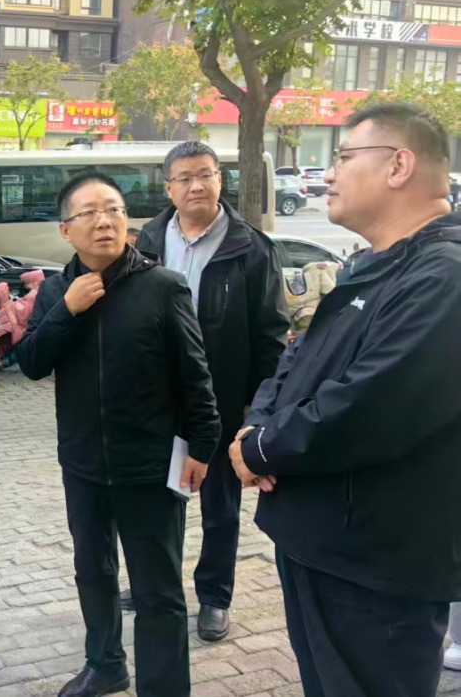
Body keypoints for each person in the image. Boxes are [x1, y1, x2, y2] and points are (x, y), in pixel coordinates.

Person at [231, 102, 461, 697]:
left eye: (343, 157)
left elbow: (372, 405)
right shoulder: (374, 265)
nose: (328, 175)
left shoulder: (444, 275)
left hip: (375, 564)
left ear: (399, 165)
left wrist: (259, 449)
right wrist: (257, 425)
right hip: (322, 542)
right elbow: (296, 358)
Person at [18, 173, 221, 697]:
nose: (104, 221)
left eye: (113, 209)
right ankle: (105, 664)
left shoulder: (162, 286)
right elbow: (32, 363)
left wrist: (202, 446)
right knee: (93, 571)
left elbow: (195, 375)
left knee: (158, 589)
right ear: (66, 229)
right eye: (89, 213)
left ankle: (164, 687)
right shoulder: (57, 291)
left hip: (150, 466)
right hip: (83, 465)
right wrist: (67, 311)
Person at [133, 141, 289, 641]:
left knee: (219, 507)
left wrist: (257, 409)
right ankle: (155, 582)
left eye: (205, 174)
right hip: (158, 401)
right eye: (185, 178)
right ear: (169, 187)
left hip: (221, 402)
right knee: (160, 500)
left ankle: (215, 596)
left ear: (221, 179)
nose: (196, 185)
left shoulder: (252, 248)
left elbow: (271, 336)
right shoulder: (148, 240)